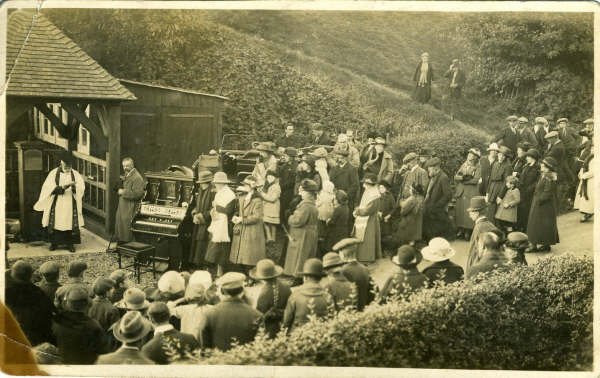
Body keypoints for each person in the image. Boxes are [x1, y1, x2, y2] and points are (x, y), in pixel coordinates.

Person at [33, 150, 85, 252]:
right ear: (61, 162)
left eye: (69, 165)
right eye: (66, 164)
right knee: (56, 221)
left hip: (70, 202)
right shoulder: (53, 173)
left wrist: (75, 187)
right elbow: (47, 188)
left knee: (69, 222)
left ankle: (70, 244)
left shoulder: (75, 174)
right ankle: (54, 243)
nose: (67, 167)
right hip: (56, 203)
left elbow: (81, 188)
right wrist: (62, 187)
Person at [201, 272, 262, 351]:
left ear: (222, 292)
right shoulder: (256, 315)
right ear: (242, 292)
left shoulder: (209, 314)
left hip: (216, 361)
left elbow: (205, 348)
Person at [53, 287, 109, 364]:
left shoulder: (56, 322)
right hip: (86, 368)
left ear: (67, 304)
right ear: (87, 304)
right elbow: (103, 352)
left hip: (63, 366)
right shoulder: (94, 326)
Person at [5, 261, 55, 346]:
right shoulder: (38, 292)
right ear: (30, 276)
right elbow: (51, 312)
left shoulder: (6, 293)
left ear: (13, 275)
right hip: (37, 336)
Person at [282, 259, 334, 333]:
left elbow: (286, 321)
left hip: (298, 337)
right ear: (320, 278)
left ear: (305, 278)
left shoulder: (295, 295)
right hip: (320, 337)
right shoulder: (327, 296)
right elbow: (332, 320)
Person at [283, 179, 320, 280]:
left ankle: (298, 277)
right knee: (306, 255)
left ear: (309, 193)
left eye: (303, 191)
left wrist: (289, 217)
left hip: (302, 234)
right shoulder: (311, 204)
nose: (300, 193)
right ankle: (302, 276)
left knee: (300, 256)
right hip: (309, 233)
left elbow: (298, 220)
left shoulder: (305, 206)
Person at [229, 176, 266, 271]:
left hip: (252, 231)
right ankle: (245, 274)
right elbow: (238, 210)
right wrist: (235, 215)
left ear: (252, 187)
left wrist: (242, 219)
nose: (244, 186)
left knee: (250, 256)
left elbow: (257, 217)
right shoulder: (243, 197)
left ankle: (251, 275)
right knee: (241, 255)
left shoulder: (258, 200)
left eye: (246, 185)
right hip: (242, 229)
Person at [168, 270, 214, 345]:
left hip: (186, 342)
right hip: (202, 343)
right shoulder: (212, 309)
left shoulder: (183, 309)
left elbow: (168, 308)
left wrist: (182, 299)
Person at [250, 259, 292, 339]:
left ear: (260, 278)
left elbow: (260, 316)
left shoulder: (264, 294)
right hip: (284, 327)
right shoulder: (286, 287)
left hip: (269, 330)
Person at [205, 172, 236, 277]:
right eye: (216, 183)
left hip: (225, 226)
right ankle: (210, 269)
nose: (216, 185)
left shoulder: (230, 195)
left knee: (222, 249)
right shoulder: (219, 193)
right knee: (213, 246)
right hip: (217, 223)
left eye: (218, 183)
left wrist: (217, 207)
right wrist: (213, 210)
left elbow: (229, 210)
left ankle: (220, 270)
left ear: (223, 183)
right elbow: (215, 207)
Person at [526, 157, 560, 252]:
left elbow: (548, 192)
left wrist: (539, 200)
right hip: (539, 203)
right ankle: (542, 244)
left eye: (543, 165)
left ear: (548, 167)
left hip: (544, 205)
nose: (541, 165)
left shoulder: (549, 176)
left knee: (539, 224)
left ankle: (536, 245)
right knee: (537, 224)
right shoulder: (544, 175)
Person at [334, 238, 376, 311]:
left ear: (343, 254)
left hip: (350, 311)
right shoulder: (364, 268)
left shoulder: (343, 271)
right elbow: (372, 293)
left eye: (339, 251)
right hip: (363, 310)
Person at [115, 157, 146, 244]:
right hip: (123, 205)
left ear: (132, 165)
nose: (125, 168)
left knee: (127, 228)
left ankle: (128, 247)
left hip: (130, 207)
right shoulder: (127, 174)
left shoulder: (137, 177)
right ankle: (121, 246)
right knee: (120, 226)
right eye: (124, 166)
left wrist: (123, 192)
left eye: (127, 166)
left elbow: (138, 194)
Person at [188, 170, 215, 269]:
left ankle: (204, 267)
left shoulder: (213, 192)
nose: (201, 185)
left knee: (203, 245)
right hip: (198, 223)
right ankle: (197, 265)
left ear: (207, 182)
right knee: (197, 245)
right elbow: (196, 206)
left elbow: (213, 209)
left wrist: (201, 216)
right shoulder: (200, 191)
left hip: (207, 223)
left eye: (202, 183)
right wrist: (195, 214)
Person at [353, 174, 382, 263]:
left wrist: (358, 211)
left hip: (369, 220)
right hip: (369, 218)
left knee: (367, 238)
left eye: (365, 183)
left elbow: (367, 210)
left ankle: (367, 257)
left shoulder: (374, 195)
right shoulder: (369, 191)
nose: (364, 185)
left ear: (370, 184)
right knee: (367, 238)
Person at [465, 196, 500, 271]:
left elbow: (477, 252)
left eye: (470, 212)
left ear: (476, 213)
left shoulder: (479, 227)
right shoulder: (489, 224)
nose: (469, 215)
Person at [453, 148, 482, 240]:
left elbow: (476, 180)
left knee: (468, 212)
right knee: (460, 211)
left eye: (472, 156)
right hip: (461, 192)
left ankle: (468, 231)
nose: (470, 157)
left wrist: (465, 181)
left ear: (475, 158)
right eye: (469, 155)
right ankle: (461, 230)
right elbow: (456, 176)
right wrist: (462, 178)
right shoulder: (464, 165)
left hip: (471, 192)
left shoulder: (478, 167)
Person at [422, 157, 453, 241]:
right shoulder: (432, 177)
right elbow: (427, 192)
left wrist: (437, 206)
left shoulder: (443, 177)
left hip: (436, 210)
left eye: (429, 170)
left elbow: (448, 195)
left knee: (436, 232)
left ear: (436, 168)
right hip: (429, 208)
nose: (428, 172)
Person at [544, 130, 574, 209]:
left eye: (549, 139)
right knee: (558, 188)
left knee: (558, 189)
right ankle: (564, 204)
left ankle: (561, 206)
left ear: (555, 138)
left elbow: (547, 157)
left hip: (558, 171)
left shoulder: (557, 148)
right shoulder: (558, 145)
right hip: (559, 170)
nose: (548, 141)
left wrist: (548, 149)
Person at [392, 183, 425, 247]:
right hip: (417, 222)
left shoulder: (412, 199)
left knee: (407, 240)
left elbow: (403, 212)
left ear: (414, 191)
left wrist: (402, 204)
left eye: (410, 189)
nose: (409, 190)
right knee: (413, 240)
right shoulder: (421, 198)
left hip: (409, 222)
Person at [329, 148, 360, 212]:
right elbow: (330, 181)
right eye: (337, 158)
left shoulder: (352, 169)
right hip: (335, 198)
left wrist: (344, 196)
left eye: (341, 158)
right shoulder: (334, 169)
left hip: (346, 200)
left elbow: (355, 185)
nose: (338, 160)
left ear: (346, 158)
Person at [486, 145, 513, 222]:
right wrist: (487, 192)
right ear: (497, 154)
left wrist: (500, 196)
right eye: (500, 155)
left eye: (503, 156)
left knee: (496, 212)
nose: (501, 157)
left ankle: (495, 230)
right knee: (489, 210)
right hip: (492, 189)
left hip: (499, 189)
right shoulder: (495, 164)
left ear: (506, 157)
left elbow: (506, 182)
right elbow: (490, 179)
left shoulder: (508, 166)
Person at [517, 149, 541, 232]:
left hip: (531, 194)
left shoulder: (538, 168)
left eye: (528, 156)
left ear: (533, 158)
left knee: (529, 212)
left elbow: (538, 181)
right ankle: (523, 230)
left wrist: (529, 189)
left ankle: (529, 231)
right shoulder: (526, 166)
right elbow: (522, 178)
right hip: (523, 193)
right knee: (522, 212)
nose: (526, 158)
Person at [259, 170, 281, 244]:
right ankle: (271, 237)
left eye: (271, 177)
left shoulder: (276, 187)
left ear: (275, 178)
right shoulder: (270, 185)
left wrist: (261, 194)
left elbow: (272, 199)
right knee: (268, 222)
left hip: (272, 207)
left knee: (268, 222)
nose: (269, 178)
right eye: (268, 177)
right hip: (269, 206)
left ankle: (270, 238)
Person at [574, 144, 594, 223]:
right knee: (585, 197)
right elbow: (584, 165)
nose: (592, 150)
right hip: (586, 181)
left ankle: (588, 212)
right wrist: (581, 172)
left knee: (591, 197)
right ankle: (586, 213)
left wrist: (584, 175)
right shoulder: (590, 157)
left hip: (592, 180)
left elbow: (594, 171)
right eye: (592, 148)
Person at [278, 147, 298, 223]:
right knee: (281, 207)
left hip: (290, 191)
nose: (284, 157)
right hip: (283, 190)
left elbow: (292, 181)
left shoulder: (295, 167)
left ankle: (285, 224)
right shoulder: (285, 165)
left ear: (291, 157)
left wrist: (281, 187)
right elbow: (280, 175)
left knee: (286, 207)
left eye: (286, 156)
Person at [378, 179, 396, 254]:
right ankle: (380, 250)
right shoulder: (377, 196)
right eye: (379, 187)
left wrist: (389, 215)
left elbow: (394, 208)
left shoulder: (389, 196)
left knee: (385, 235)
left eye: (382, 187)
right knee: (379, 234)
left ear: (385, 188)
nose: (381, 189)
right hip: (378, 218)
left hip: (386, 219)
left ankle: (386, 249)